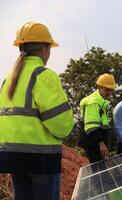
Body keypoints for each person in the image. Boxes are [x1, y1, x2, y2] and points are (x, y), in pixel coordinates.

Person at [0, 22, 75, 200]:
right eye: (49, 47)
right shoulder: (43, 75)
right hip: (41, 160)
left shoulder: (8, 80)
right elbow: (62, 125)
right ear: (43, 49)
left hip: (13, 159)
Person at [78, 73, 115, 163]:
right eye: (107, 90)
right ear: (99, 87)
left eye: (111, 90)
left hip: (97, 142)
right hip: (93, 143)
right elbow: (91, 127)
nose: (109, 93)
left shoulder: (101, 100)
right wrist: (101, 143)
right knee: (97, 169)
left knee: (101, 169)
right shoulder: (93, 102)